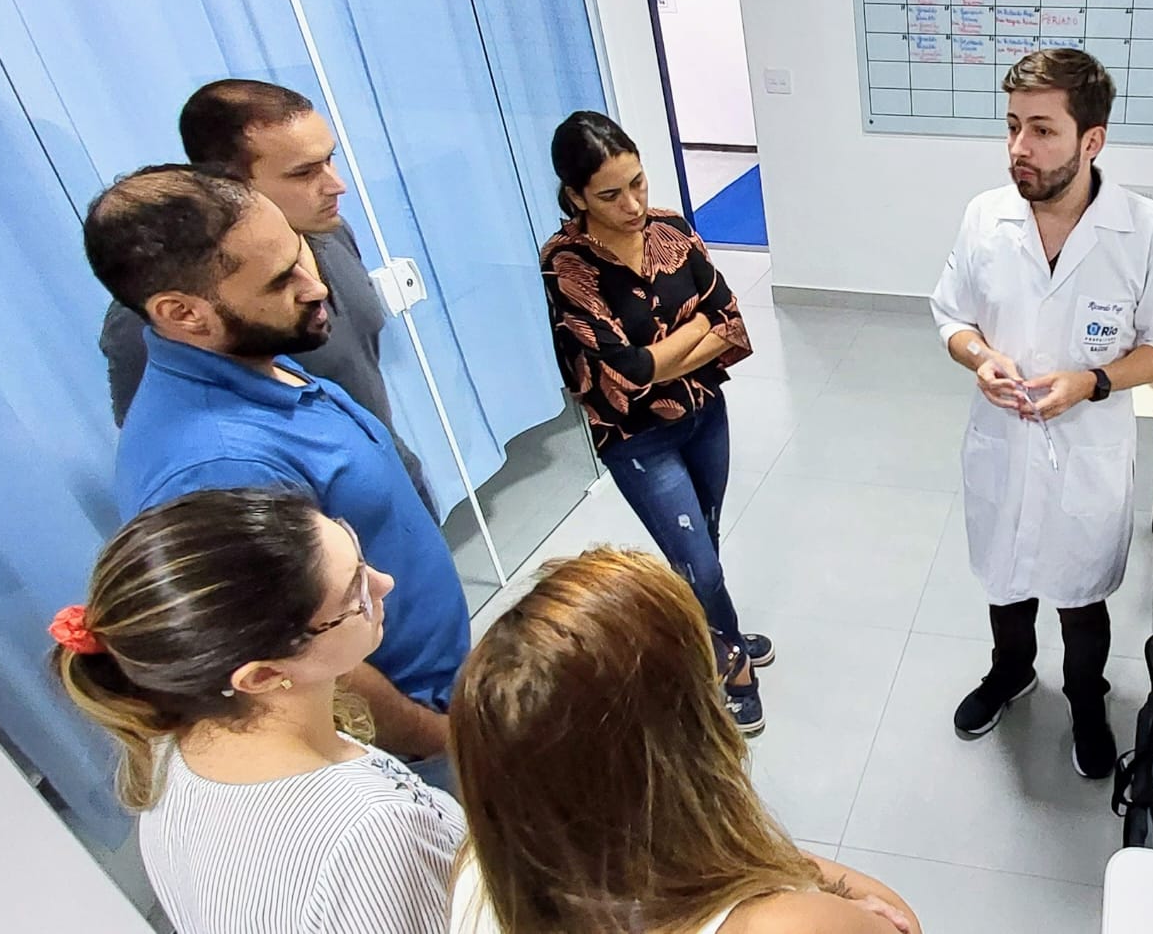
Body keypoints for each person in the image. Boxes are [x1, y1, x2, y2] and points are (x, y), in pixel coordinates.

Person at [83, 164, 469, 782]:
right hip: (406, 735)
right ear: (184, 313)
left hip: (442, 690)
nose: (315, 285)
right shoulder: (216, 466)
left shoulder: (254, 354)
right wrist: (433, 738)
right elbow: (297, 657)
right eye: (280, 279)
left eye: (301, 252)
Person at [929, 49, 1153, 778]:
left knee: (1081, 595)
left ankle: (1085, 697)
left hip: (1088, 446)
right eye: (1013, 126)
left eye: (1042, 130)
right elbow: (951, 315)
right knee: (1005, 578)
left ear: (1092, 140)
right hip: (1003, 441)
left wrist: (1093, 381)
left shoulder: (1145, 230)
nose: (1020, 147)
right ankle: (1010, 672)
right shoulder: (986, 217)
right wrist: (979, 356)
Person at [49, 489, 465, 934]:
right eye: (354, 594)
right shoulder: (373, 834)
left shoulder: (169, 751)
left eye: (359, 557)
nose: (384, 583)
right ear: (261, 676)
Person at [447, 547, 920, 934]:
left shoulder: (478, 872)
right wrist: (841, 911)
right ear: (676, 744)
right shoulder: (772, 923)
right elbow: (903, 923)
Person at [97, 79, 434, 515]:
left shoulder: (328, 232)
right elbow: (178, 456)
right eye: (304, 172)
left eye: (329, 159)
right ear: (232, 183)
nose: (337, 185)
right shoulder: (149, 323)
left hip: (388, 473)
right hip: (318, 534)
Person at [540, 110, 769, 733]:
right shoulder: (569, 265)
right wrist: (691, 336)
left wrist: (666, 357)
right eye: (610, 195)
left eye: (638, 183)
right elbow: (629, 370)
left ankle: (713, 629)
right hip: (638, 437)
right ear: (575, 196)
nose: (634, 205)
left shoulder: (669, 226)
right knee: (696, 559)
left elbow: (730, 317)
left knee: (705, 549)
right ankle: (729, 664)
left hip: (704, 415)